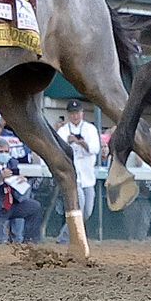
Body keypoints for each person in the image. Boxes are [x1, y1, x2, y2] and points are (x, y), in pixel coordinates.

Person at [0, 136, 42, 243]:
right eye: (0, 152)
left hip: (10, 205)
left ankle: (31, 241)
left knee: (34, 207)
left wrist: (21, 180)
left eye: (6, 151)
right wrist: (0, 179)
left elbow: (15, 185)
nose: (4, 154)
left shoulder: (12, 163)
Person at [55, 98, 100, 238]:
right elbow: (58, 150)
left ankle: (66, 234)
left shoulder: (90, 129)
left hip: (88, 174)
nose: (75, 116)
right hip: (73, 175)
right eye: (72, 113)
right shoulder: (63, 130)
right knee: (78, 205)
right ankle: (66, 238)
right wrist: (68, 143)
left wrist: (80, 143)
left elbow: (95, 149)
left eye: (77, 112)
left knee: (87, 211)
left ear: (82, 113)